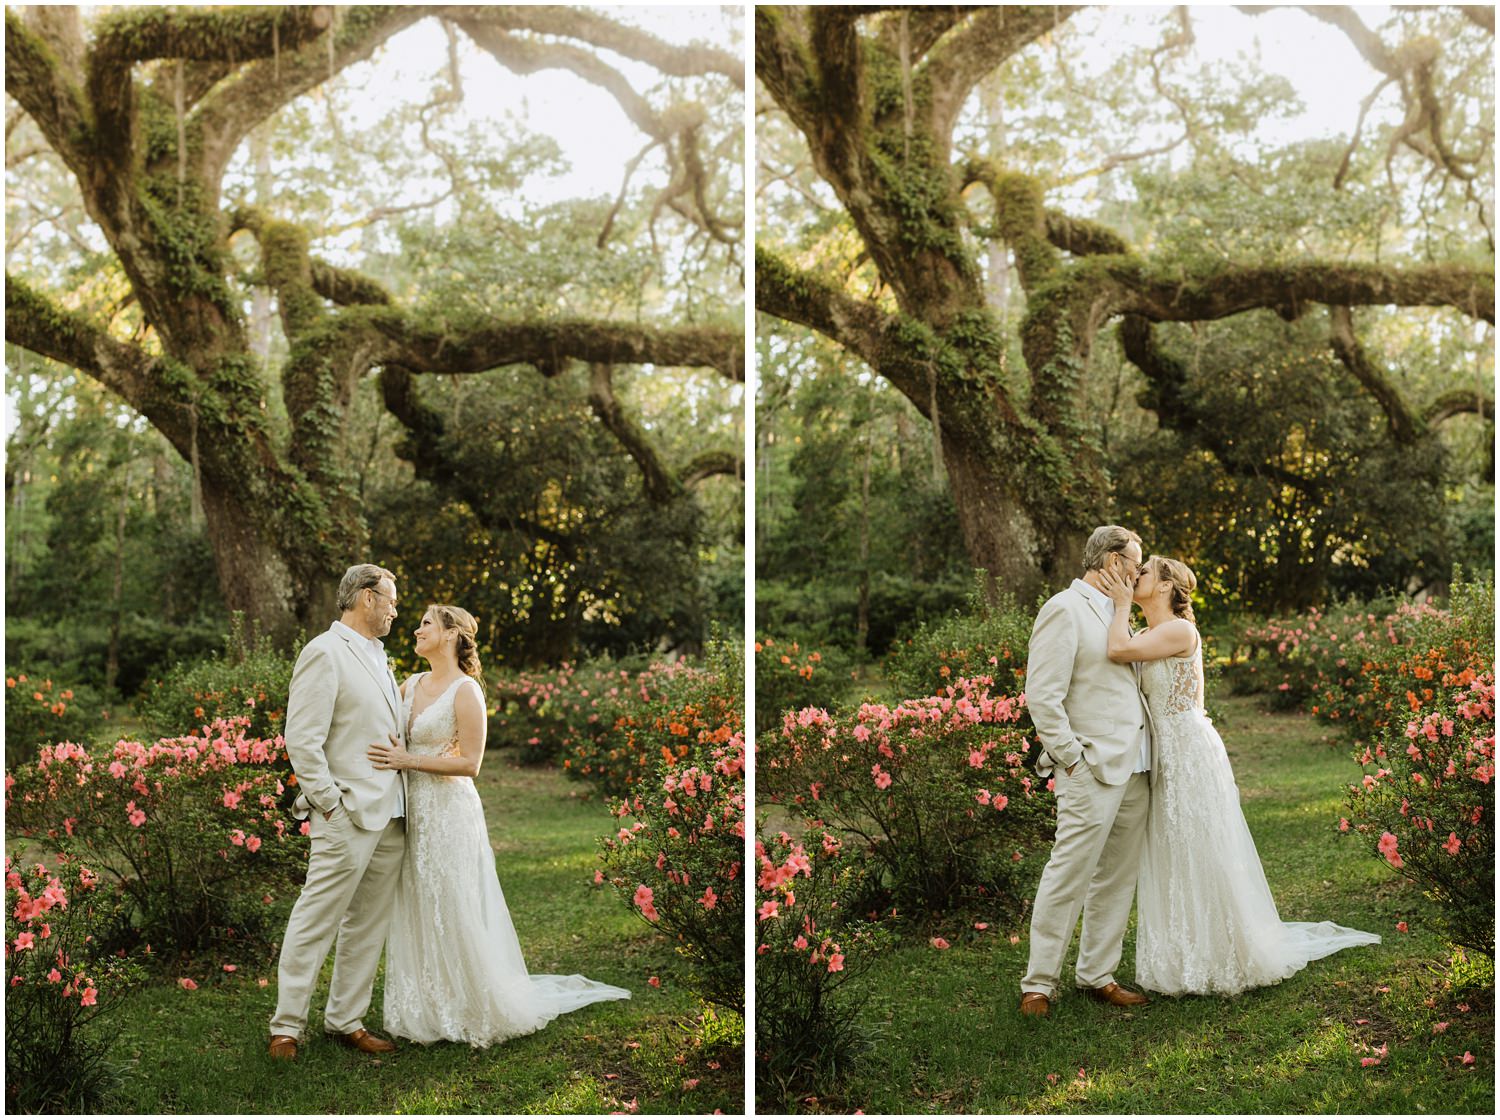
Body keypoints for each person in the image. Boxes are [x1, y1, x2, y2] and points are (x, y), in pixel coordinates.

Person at [1098, 555, 1380, 995]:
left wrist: (1118, 606)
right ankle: (1184, 957)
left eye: (1145, 572)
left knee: (1202, 847)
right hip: (1166, 752)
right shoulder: (1151, 632)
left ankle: (1223, 955)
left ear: (1167, 585)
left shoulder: (1177, 629)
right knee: (1174, 849)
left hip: (1188, 751)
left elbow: (1117, 650)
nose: (1135, 578)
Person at [368, 604, 630, 1045]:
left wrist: (406, 760)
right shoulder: (409, 685)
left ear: (450, 634)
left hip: (451, 812)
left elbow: (471, 763)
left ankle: (473, 1004)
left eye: (426, 624)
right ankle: (428, 1007)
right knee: (417, 899)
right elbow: (387, 726)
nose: (417, 630)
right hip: (414, 810)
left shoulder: (466, 691)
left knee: (455, 902)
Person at [269, 564, 406, 1060]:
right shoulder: (324, 652)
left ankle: (346, 1019)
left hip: (392, 813)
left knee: (368, 923)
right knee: (316, 918)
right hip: (345, 812)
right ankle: (286, 1026)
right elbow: (302, 738)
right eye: (390, 598)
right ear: (366, 597)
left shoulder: (381, 656)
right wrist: (329, 803)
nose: (395, 608)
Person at [1019, 526, 1154, 1018]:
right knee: (1068, 873)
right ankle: (1038, 983)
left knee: (1117, 877)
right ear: (1112, 561)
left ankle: (1097, 974)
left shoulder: (1123, 614)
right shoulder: (1063, 609)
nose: (1139, 572)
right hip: (1090, 766)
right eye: (1135, 562)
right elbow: (1043, 695)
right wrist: (1071, 757)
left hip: (1137, 767)